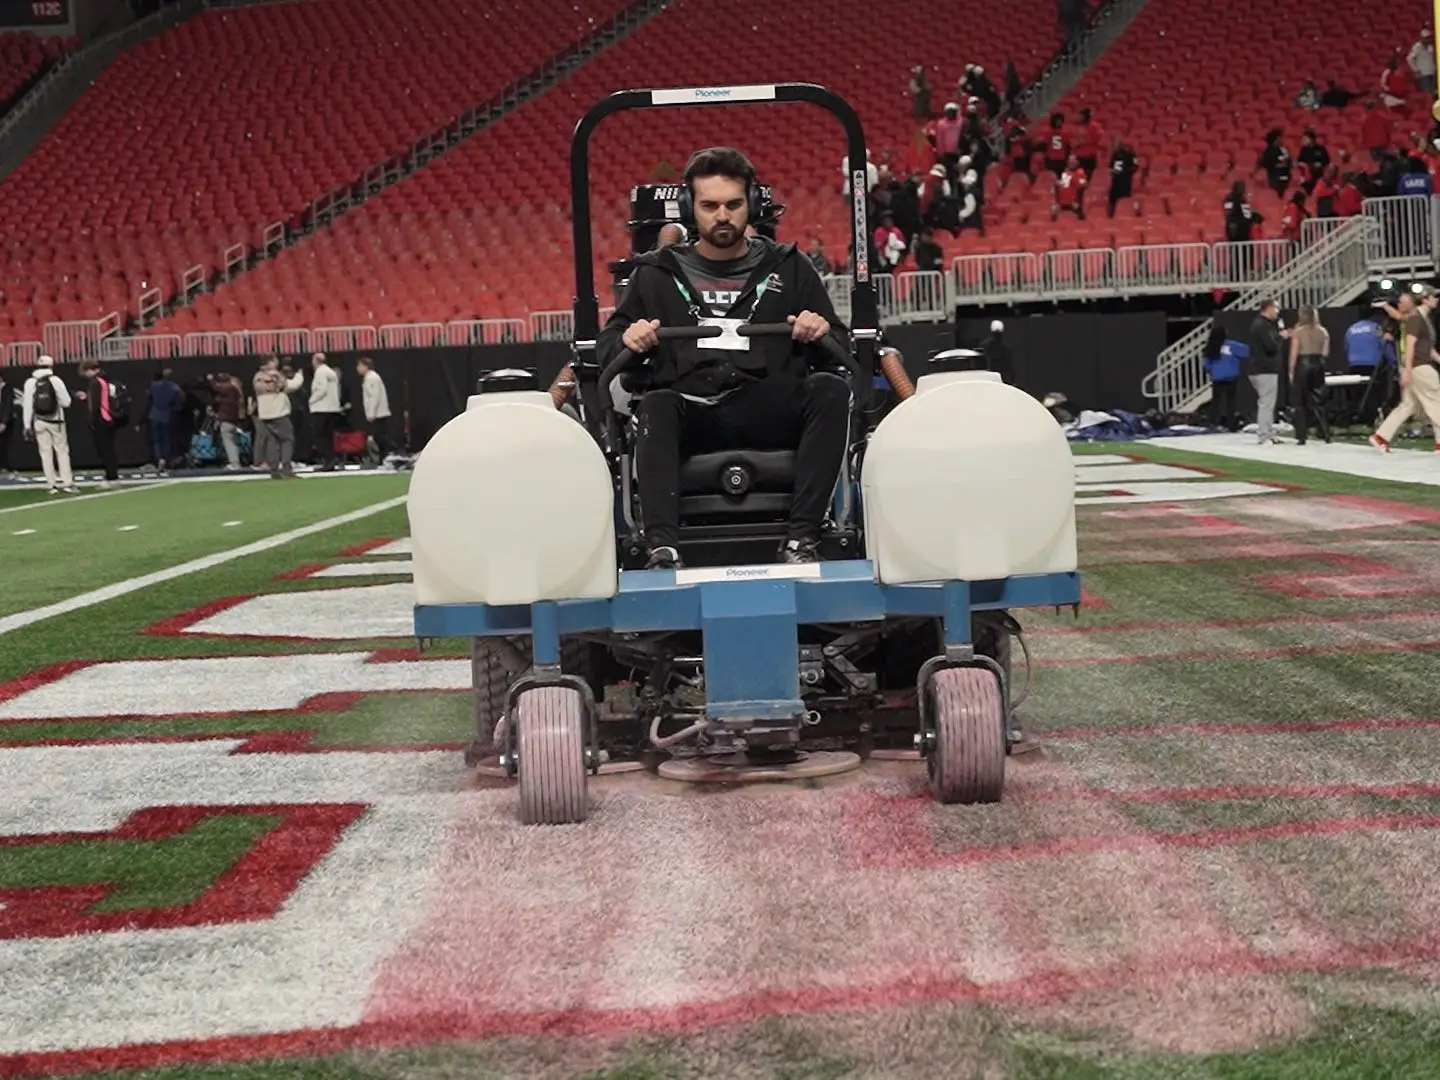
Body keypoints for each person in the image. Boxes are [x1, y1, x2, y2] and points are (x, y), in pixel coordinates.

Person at [597, 146, 851, 569]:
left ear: (750, 205)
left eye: (733, 205)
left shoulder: (789, 267)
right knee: (656, 404)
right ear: (689, 208)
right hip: (691, 411)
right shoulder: (656, 274)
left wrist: (819, 331)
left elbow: (839, 345)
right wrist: (630, 338)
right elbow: (607, 347)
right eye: (710, 206)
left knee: (830, 390)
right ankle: (663, 549)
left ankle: (801, 539)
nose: (722, 216)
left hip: (769, 408)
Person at [1371, 288, 1440, 452]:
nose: (1437, 299)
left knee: (1408, 405)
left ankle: (1380, 437)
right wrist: (1408, 370)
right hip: (1419, 367)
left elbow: (1427, 348)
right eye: (1434, 296)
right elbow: (1410, 345)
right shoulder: (1416, 319)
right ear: (1424, 299)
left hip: (1415, 366)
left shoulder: (1421, 319)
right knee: (1436, 402)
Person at [22, 357, 76, 494]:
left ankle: (51, 484)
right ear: (51, 366)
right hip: (56, 421)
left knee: (45, 453)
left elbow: (27, 405)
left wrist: (27, 425)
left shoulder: (30, 382)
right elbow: (67, 402)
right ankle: (67, 483)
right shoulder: (55, 380)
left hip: (39, 421)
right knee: (62, 451)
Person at [252, 355, 303, 477]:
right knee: (287, 439)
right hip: (278, 412)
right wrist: (299, 376)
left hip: (264, 413)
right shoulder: (275, 375)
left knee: (272, 442)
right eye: (275, 361)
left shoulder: (257, 376)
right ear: (270, 362)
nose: (277, 363)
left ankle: (274, 469)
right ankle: (286, 468)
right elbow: (289, 387)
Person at [1288, 305, 1332, 445]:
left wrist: (1291, 370)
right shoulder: (1323, 331)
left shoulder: (1298, 332)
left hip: (1303, 363)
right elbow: (1325, 352)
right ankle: (1326, 433)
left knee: (1300, 401)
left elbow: (1293, 353)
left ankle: (1302, 436)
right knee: (1319, 401)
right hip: (1318, 363)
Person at [1248, 300, 1288, 444]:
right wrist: (1281, 337)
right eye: (1276, 308)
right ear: (1269, 308)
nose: (1278, 311)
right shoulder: (1262, 325)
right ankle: (1264, 435)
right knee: (1266, 404)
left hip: (1261, 369)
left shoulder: (1263, 324)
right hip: (1264, 369)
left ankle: (1269, 433)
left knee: (1268, 403)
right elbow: (1271, 347)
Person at [78, 359, 122, 486]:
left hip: (101, 419)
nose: (86, 374)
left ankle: (111, 476)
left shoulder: (95, 383)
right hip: (108, 418)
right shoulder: (104, 381)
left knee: (104, 449)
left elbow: (96, 405)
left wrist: (91, 421)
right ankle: (112, 474)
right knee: (108, 449)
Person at [1201, 323, 1242, 431]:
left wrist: (1211, 371)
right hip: (1231, 377)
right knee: (1231, 401)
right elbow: (1245, 352)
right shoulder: (1233, 345)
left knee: (1216, 401)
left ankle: (1213, 423)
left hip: (1217, 377)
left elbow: (1206, 363)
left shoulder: (1210, 346)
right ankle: (1231, 425)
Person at [308, 352, 342, 471]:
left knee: (319, 436)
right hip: (332, 408)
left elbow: (321, 389)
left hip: (321, 409)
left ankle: (328, 460)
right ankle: (330, 461)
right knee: (328, 436)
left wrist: (311, 400)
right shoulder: (331, 372)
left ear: (315, 361)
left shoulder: (320, 372)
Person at [146, 369, 183, 475]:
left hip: (154, 415)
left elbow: (149, 399)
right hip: (167, 416)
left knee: (156, 440)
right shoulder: (174, 388)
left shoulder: (154, 386)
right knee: (166, 440)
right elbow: (178, 405)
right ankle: (165, 460)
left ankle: (159, 459)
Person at [357, 357, 392, 461]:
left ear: (366, 366)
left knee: (380, 437)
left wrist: (371, 413)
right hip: (377, 412)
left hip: (378, 413)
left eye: (359, 365)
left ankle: (389, 455)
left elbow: (374, 396)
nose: (357, 368)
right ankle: (383, 458)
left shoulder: (372, 378)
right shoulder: (369, 378)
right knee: (378, 436)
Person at [208, 371, 244, 470]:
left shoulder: (230, 388)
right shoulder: (235, 392)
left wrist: (211, 379)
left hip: (226, 419)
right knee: (232, 441)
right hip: (233, 419)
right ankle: (236, 462)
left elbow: (216, 387)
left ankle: (234, 463)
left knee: (228, 441)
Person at [0, 371, 14, 477]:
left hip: (4, 421)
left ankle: (5, 466)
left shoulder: (7, 389)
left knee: (4, 444)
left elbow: (8, 406)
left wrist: (4, 422)